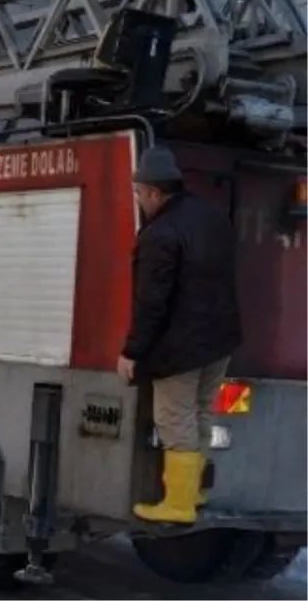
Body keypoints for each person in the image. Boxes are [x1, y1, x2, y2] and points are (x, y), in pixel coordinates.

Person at [118, 144, 242, 524]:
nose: (138, 201)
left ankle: (179, 504)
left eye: (139, 194)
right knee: (202, 412)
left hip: (181, 347)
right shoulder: (212, 216)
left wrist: (132, 351)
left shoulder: (161, 234)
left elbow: (151, 301)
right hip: (219, 339)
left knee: (175, 419)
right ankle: (196, 492)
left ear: (154, 192)